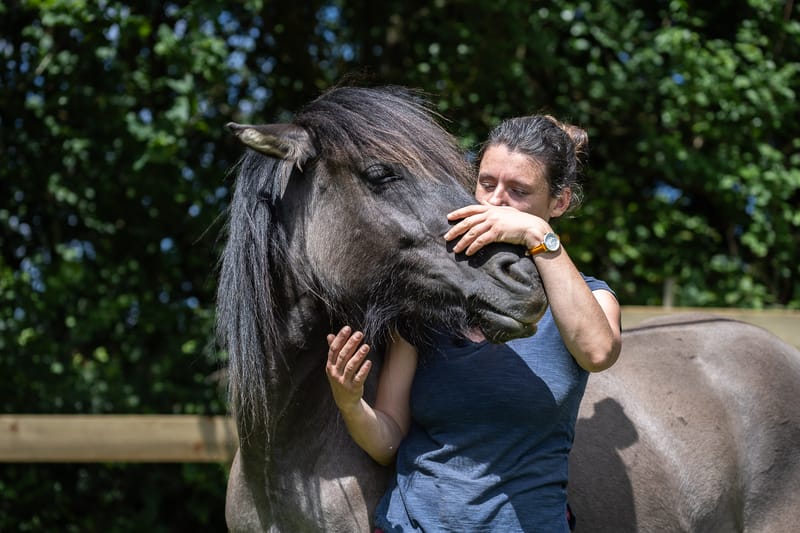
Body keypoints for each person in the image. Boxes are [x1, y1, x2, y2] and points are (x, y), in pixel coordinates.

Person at [325, 114, 622, 532]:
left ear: (558, 203)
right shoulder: (427, 300)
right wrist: (351, 403)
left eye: (518, 191)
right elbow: (389, 441)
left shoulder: (589, 297)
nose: (495, 202)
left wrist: (536, 234)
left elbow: (597, 350)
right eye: (486, 183)